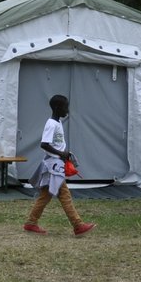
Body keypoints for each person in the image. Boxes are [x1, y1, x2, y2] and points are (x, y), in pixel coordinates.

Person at [24, 94, 95, 236]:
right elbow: (44, 144)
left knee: (45, 196)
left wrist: (64, 153)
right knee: (64, 195)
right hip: (53, 166)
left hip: (55, 164)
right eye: (65, 107)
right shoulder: (51, 124)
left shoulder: (58, 123)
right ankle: (78, 225)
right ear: (57, 107)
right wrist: (60, 154)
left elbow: (55, 143)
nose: (67, 110)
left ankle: (31, 223)